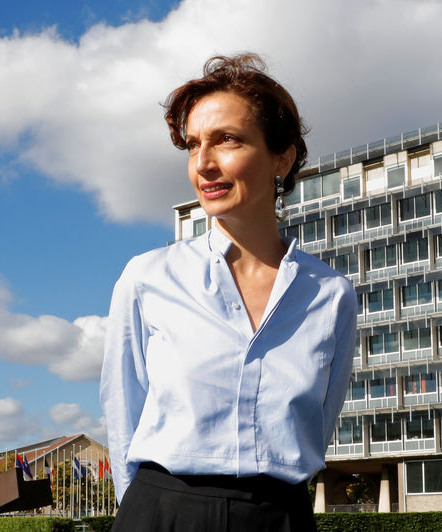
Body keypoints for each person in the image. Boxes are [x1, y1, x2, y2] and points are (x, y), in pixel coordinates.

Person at [100, 53, 357, 531]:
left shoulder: (332, 295)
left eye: (228, 140)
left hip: (279, 516)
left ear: (282, 157)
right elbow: (123, 409)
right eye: (193, 145)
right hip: (161, 512)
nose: (204, 163)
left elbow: (317, 426)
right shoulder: (147, 278)